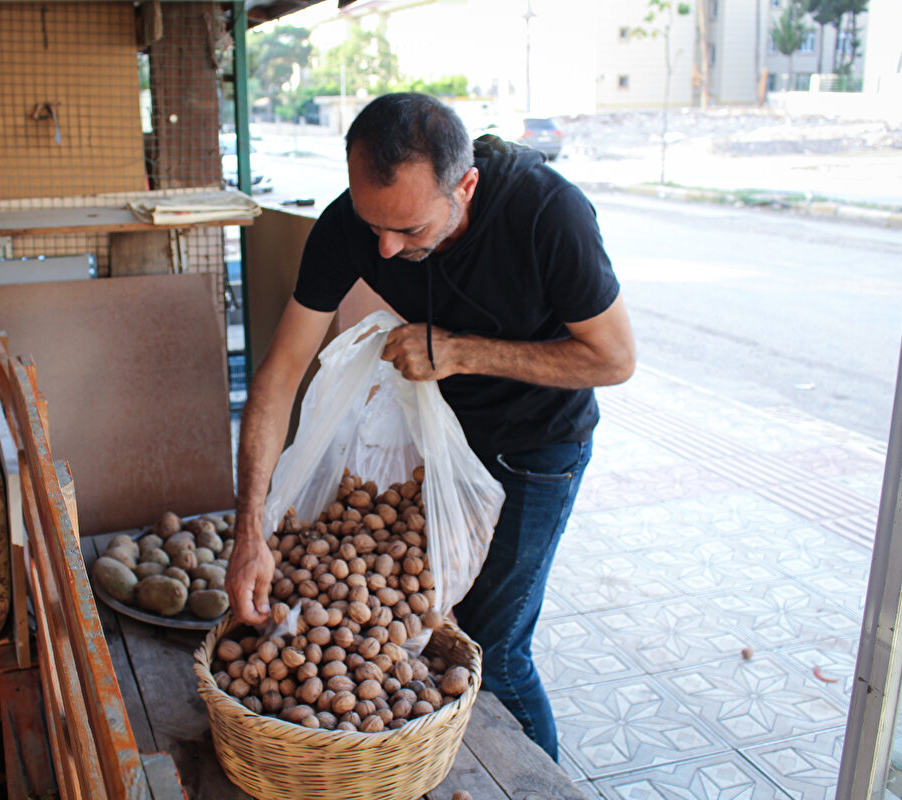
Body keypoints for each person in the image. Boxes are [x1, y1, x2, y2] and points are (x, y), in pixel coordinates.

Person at [225, 92, 635, 761]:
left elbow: (615, 359)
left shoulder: (545, 213)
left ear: (464, 186)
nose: (384, 246)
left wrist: (460, 352)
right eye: (372, 223)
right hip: (446, 442)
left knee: (494, 652)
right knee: (438, 633)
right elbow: (277, 374)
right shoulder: (352, 226)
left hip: (539, 444)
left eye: (410, 231)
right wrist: (250, 531)